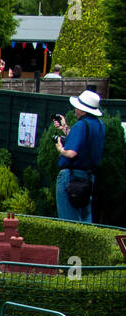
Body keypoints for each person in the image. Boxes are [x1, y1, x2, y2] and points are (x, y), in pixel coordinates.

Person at [53, 90, 105, 223]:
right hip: (88, 177)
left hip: (71, 177)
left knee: (69, 222)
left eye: (77, 107)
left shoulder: (81, 125)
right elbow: (84, 141)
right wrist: (65, 128)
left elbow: (71, 153)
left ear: (83, 110)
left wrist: (61, 149)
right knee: (85, 219)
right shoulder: (100, 125)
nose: (75, 110)